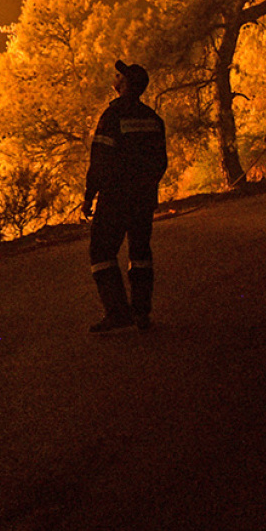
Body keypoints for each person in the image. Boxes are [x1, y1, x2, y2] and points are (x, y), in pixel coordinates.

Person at [82, 60, 167, 333]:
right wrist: (147, 187)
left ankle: (117, 312)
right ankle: (142, 312)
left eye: (119, 75)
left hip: (116, 198)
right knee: (140, 252)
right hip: (143, 199)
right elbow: (161, 162)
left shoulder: (113, 116)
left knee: (102, 252)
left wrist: (90, 194)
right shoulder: (153, 119)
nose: (115, 78)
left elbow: (100, 159)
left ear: (125, 84)